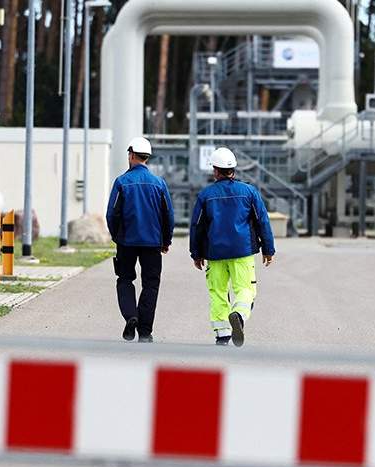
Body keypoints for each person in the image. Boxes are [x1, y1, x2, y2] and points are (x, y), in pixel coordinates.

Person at [189, 147, 275, 347]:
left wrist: (196, 253)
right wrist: (268, 249)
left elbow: (197, 226)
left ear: (215, 171)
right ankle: (239, 314)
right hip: (242, 251)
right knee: (245, 289)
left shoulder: (205, 195)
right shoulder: (249, 192)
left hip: (215, 253)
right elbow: (262, 220)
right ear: (234, 170)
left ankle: (222, 334)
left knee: (218, 292)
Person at [106, 137, 175, 343]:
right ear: (147, 158)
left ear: (131, 155)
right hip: (152, 243)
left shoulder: (121, 182)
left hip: (126, 242)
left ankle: (131, 316)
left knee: (125, 279)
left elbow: (111, 214)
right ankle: (145, 332)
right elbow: (168, 215)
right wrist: (166, 240)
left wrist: (116, 236)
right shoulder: (159, 183)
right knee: (151, 284)